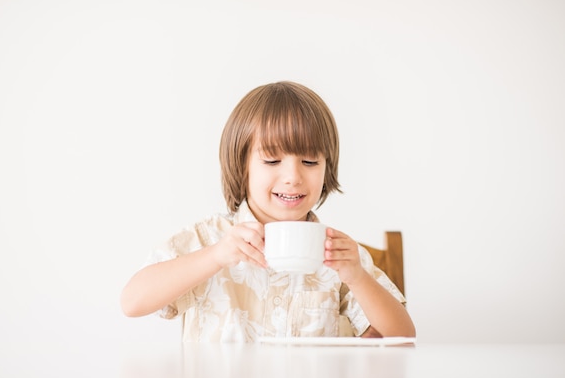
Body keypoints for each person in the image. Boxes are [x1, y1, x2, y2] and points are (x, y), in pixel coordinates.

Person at [120, 81, 416, 342]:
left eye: (310, 162)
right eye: (272, 161)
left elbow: (403, 336)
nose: (292, 177)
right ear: (241, 166)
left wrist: (358, 277)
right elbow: (132, 302)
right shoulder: (209, 239)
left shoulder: (340, 256)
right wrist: (215, 256)